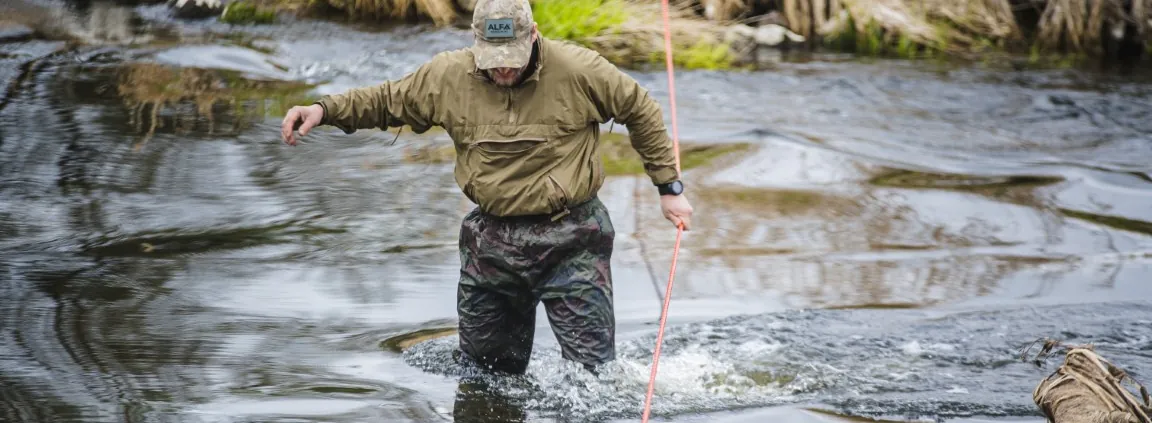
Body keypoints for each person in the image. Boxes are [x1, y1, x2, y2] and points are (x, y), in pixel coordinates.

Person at [279, 0, 694, 375]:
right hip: (492, 245)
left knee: (592, 380)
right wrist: (323, 109)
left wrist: (668, 187)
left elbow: (640, 108)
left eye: (512, 57)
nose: (504, 69)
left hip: (573, 241)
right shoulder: (448, 76)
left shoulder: (579, 70)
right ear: (476, 42)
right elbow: (388, 100)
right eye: (494, 59)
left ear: (534, 36)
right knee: (486, 378)